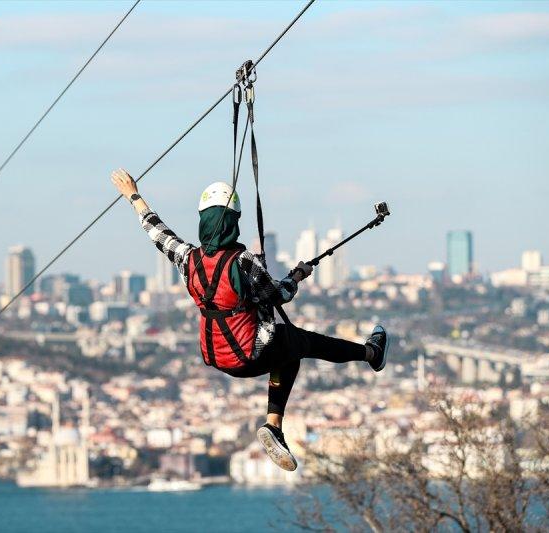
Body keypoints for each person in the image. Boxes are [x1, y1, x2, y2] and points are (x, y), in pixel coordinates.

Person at [110, 169, 389, 471]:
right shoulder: (242, 262)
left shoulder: (188, 258)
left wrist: (133, 195)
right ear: (234, 222)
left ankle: (275, 427)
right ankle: (370, 353)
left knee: (290, 349)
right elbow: (279, 295)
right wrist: (297, 276)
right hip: (250, 353)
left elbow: (157, 231)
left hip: (217, 357)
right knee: (304, 342)